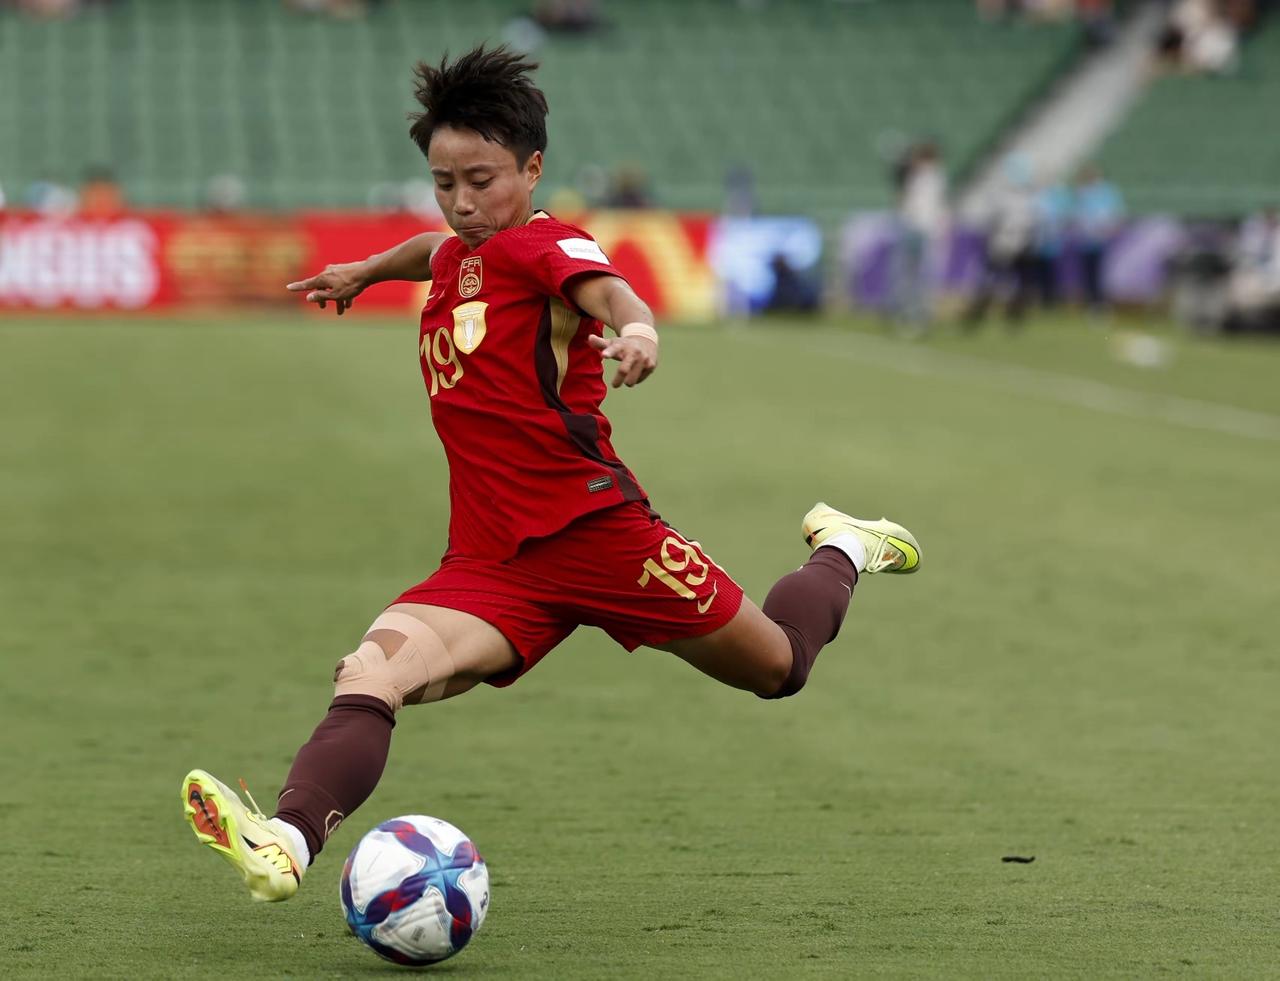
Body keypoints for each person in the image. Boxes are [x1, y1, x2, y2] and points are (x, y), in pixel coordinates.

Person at [180, 46, 923, 902]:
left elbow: (609, 289)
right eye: (444, 181)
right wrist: (365, 271)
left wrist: (639, 331)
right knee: (369, 671)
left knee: (780, 666)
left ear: (532, 170)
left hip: (599, 537)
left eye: (482, 180)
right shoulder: (461, 252)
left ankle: (842, 545)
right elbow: (432, 251)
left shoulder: (544, 243)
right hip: (491, 559)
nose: (462, 202)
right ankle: (285, 842)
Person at [1073, 164, 1125, 314]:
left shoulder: (1107, 192)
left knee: (1099, 274)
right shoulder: (1082, 193)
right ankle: (1092, 303)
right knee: (1088, 274)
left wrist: (1105, 229)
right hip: (1085, 241)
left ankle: (1101, 304)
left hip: (1101, 241)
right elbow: (1079, 216)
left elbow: (1113, 215)